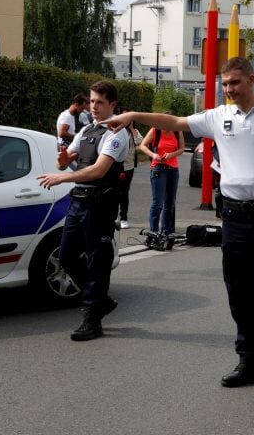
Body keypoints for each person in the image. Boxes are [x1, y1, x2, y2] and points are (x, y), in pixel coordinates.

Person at [105, 57, 254, 387]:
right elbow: (175, 121)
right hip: (234, 218)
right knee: (239, 291)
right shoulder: (218, 116)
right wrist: (134, 115)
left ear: (252, 80)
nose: (228, 90)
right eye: (224, 84)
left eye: (234, 83)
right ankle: (248, 360)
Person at [37, 81, 128, 342]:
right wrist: (63, 159)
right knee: (66, 257)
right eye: (91, 101)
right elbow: (65, 159)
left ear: (112, 104)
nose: (94, 107)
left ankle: (92, 319)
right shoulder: (87, 129)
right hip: (78, 202)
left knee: (97, 262)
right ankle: (100, 299)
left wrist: (61, 177)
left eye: (100, 102)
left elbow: (99, 170)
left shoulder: (115, 132)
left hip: (100, 204)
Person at [138, 120, 185, 240]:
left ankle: (166, 232)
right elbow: (142, 145)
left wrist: (171, 154)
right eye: (166, 125)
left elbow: (182, 149)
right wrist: (154, 155)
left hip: (173, 169)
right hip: (158, 168)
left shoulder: (177, 131)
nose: (168, 128)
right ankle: (153, 232)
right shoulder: (155, 130)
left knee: (170, 203)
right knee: (158, 203)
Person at [118, 110, 143, 229]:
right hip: (115, 166)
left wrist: (132, 129)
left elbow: (140, 142)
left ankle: (123, 217)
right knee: (112, 192)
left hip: (128, 167)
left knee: (124, 193)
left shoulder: (134, 132)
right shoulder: (115, 130)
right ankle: (111, 215)